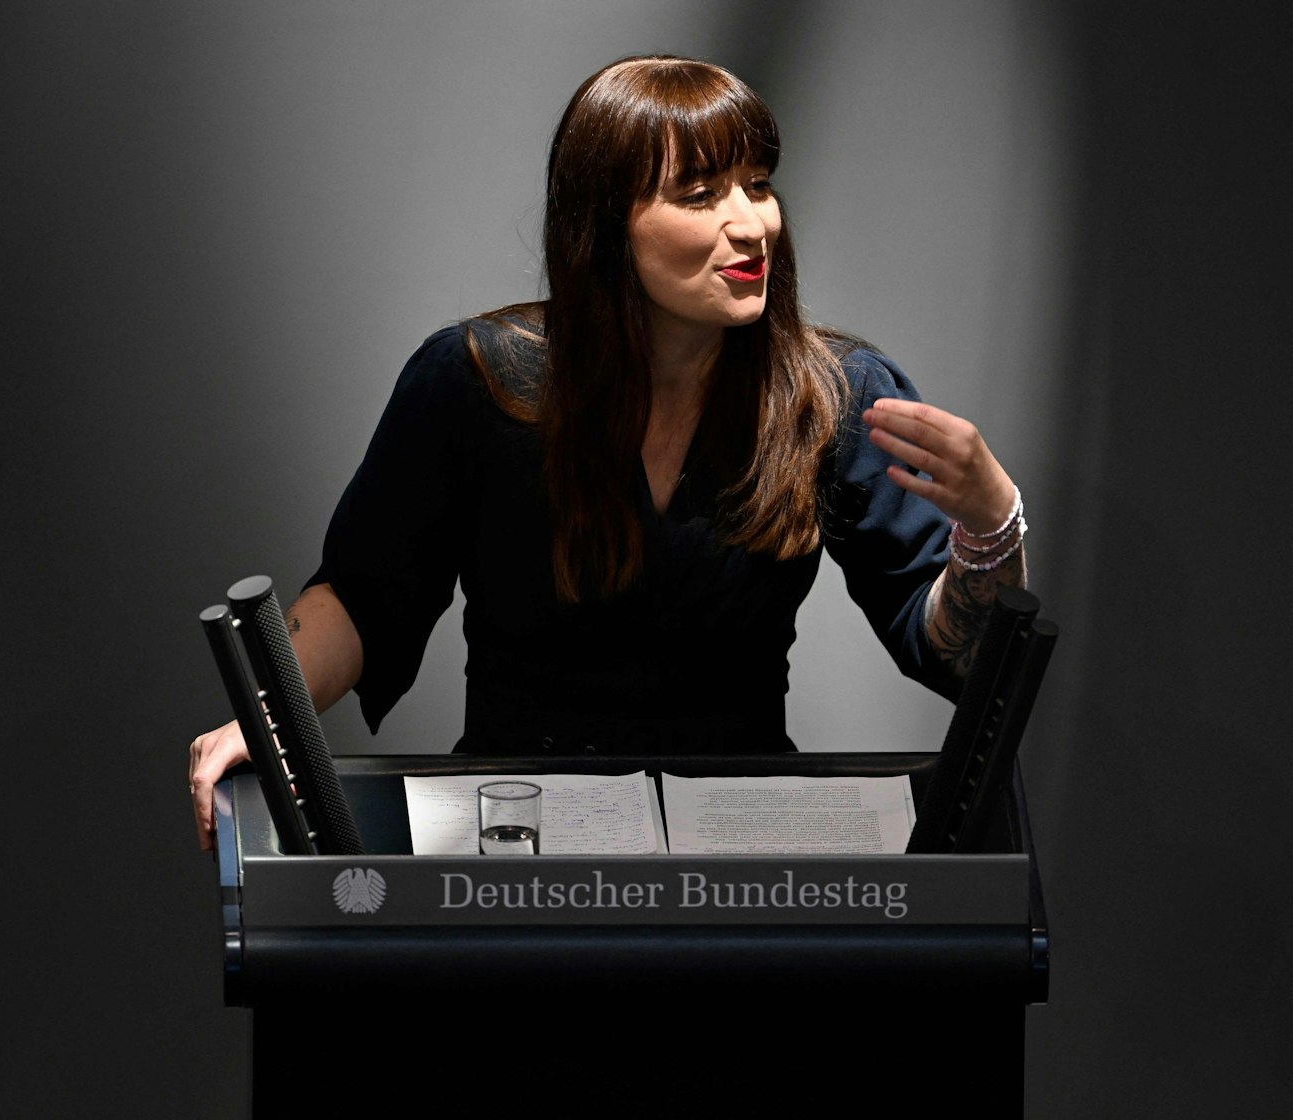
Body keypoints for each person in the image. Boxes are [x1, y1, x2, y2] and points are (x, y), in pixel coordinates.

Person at [189, 55, 1027, 849]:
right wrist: (263, 719)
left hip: (735, 860)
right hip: (518, 847)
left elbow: (954, 648)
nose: (751, 224)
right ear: (604, 225)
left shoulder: (833, 394)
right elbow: (365, 600)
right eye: (700, 194)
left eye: (759, 185)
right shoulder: (473, 382)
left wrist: (993, 526)